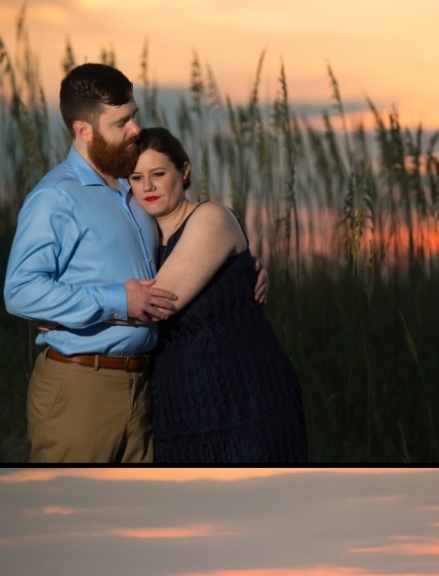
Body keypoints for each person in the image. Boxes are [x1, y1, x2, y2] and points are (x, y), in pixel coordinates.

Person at [3, 63, 268, 463]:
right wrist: (114, 301)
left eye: (134, 115)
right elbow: (20, 291)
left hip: (147, 389)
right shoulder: (56, 198)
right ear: (83, 130)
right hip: (80, 388)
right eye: (121, 121)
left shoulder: (132, 185)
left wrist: (243, 269)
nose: (134, 129)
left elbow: (188, 238)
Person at [128, 128, 308, 463]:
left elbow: (157, 303)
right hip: (179, 401)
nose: (147, 187)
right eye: (136, 177)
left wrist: (68, 315)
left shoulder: (210, 217)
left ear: (184, 172)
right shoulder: (143, 239)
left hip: (243, 392)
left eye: (158, 174)